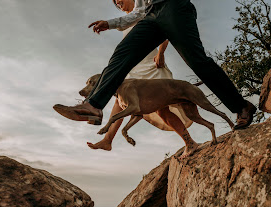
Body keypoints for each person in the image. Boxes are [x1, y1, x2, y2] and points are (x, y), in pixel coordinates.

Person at [54, 0, 256, 135]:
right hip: (151, 14)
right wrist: (111, 23)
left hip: (174, 6)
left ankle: (241, 106)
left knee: (197, 62)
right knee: (121, 55)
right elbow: (139, 11)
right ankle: (94, 106)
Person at [86, 0, 193, 153]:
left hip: (151, 66)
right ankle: (107, 140)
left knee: (162, 110)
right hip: (135, 69)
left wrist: (161, 53)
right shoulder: (126, 21)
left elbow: (165, 29)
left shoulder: (145, 12)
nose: (118, 3)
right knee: (120, 100)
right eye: (116, 3)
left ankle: (189, 142)